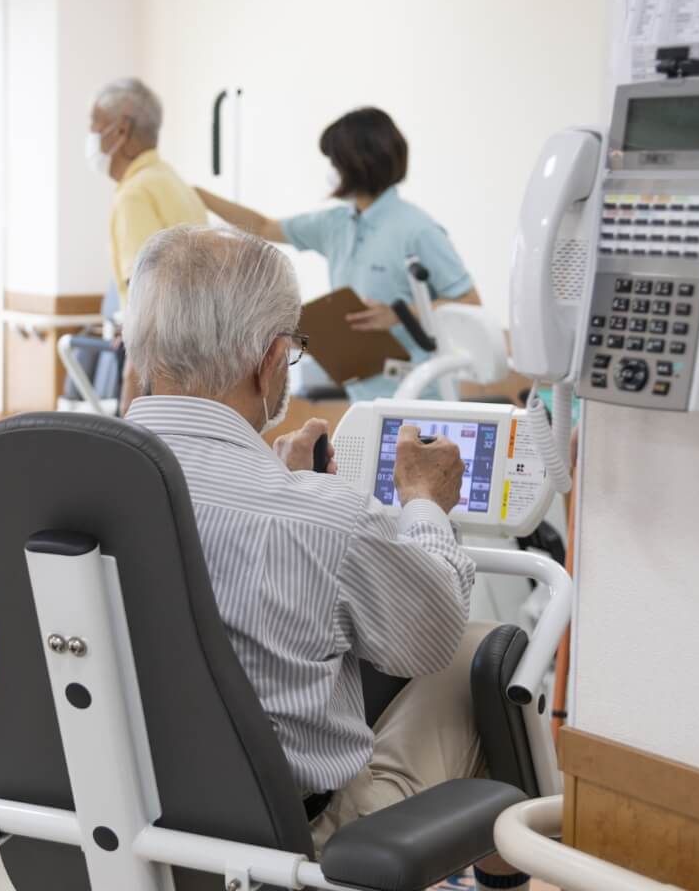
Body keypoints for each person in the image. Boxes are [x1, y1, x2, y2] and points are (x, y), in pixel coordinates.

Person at [121, 225, 528, 891]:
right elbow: (428, 637)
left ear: (140, 350)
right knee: (485, 653)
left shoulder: (72, 480)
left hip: (117, 822)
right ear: (274, 359)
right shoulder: (319, 516)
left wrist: (300, 488)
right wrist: (424, 504)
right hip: (288, 849)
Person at [196, 107, 481, 400]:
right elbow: (262, 226)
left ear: (357, 163)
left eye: (334, 161)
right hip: (363, 396)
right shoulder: (336, 225)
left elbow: (470, 303)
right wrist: (195, 194)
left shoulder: (417, 230)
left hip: (420, 396)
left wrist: (401, 314)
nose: (331, 171)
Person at [86, 77, 209, 413]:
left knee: (138, 458)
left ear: (121, 130)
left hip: (157, 356)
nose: (91, 138)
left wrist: (131, 375)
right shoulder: (173, 182)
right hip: (196, 353)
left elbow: (145, 287)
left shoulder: (136, 192)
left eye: (94, 126)